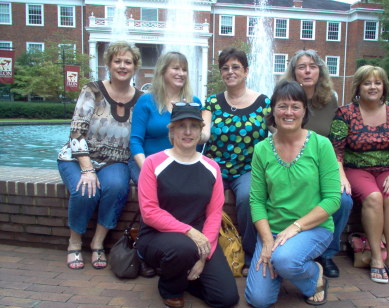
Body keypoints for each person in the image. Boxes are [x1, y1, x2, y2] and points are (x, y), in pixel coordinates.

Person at [245, 80, 341, 308]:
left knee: (284, 260)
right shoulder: (261, 149)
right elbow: (257, 200)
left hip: (312, 228)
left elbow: (333, 199)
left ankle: (313, 274)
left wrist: (296, 227)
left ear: (305, 111)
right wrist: (268, 241)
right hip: (274, 230)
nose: (289, 112)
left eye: (295, 106)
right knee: (259, 300)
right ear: (273, 111)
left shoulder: (321, 145)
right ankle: (283, 262)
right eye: (282, 106)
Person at [136, 103, 239, 308]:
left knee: (226, 298)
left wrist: (203, 256)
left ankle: (183, 276)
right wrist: (190, 231)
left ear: (201, 131)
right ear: (172, 130)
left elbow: (213, 214)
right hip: (158, 236)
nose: (188, 131)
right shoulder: (153, 163)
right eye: (181, 125)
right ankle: (170, 288)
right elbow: (149, 212)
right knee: (182, 248)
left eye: (194, 126)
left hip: (201, 239)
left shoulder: (212, 167)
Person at [58, 41, 142, 270]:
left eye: (128, 62)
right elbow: (76, 131)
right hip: (78, 157)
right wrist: (86, 168)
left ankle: (98, 243)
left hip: (116, 161)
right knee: (85, 190)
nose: (122, 66)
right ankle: (74, 242)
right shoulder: (92, 90)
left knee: (116, 187)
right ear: (109, 64)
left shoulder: (142, 98)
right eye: (118, 61)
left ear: (135, 67)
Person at [329, 65, 389, 284]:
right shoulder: (346, 113)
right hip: (357, 169)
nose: (373, 87)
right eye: (367, 82)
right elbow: (336, 148)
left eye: (377, 82)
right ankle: (376, 258)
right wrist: (341, 176)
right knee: (374, 197)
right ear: (358, 86)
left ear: (384, 86)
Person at [281, 49, 353, 278]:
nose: (307, 70)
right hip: (292, 165)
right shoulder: (284, 96)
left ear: (319, 69)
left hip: (323, 165)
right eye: (301, 66)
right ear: (294, 72)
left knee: (343, 200)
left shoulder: (329, 98)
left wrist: (340, 172)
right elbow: (275, 132)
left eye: (312, 66)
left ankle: (327, 254)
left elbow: (336, 140)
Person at [202, 47, 271, 275]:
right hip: (214, 167)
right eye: (225, 68)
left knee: (247, 197)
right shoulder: (212, 102)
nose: (230, 72)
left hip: (247, 169)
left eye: (235, 67)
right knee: (202, 195)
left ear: (246, 71)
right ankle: (206, 249)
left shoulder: (262, 103)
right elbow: (203, 132)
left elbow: (278, 131)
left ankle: (250, 251)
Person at [129, 51, 202, 184]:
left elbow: (199, 141)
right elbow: (135, 141)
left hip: (182, 164)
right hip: (147, 163)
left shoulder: (193, 102)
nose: (181, 73)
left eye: (184, 70)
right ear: (163, 71)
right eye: (175, 68)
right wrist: (148, 169)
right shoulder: (146, 101)